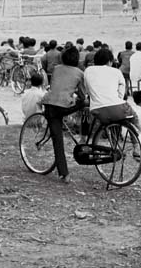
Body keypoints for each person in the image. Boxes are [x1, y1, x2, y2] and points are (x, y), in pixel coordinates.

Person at [41, 46, 86, 183]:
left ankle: (64, 174)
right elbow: (82, 95)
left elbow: (55, 85)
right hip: (65, 107)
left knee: (58, 142)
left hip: (50, 104)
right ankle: (83, 134)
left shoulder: (56, 68)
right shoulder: (80, 73)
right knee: (84, 103)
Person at [83, 48, 137, 128]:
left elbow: (88, 89)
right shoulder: (116, 71)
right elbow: (122, 89)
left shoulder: (88, 70)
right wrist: (118, 99)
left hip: (97, 109)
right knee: (135, 117)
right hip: (117, 108)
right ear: (109, 61)